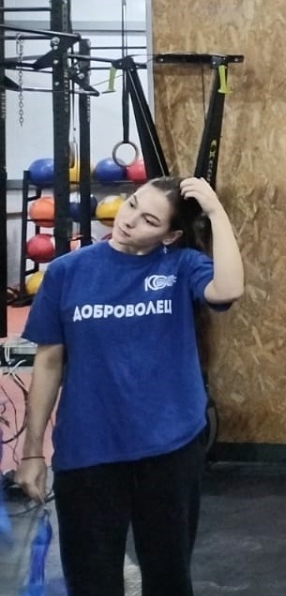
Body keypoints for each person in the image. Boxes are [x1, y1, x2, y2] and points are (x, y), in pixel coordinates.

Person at [18, 176, 245, 596]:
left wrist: (215, 211)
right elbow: (48, 362)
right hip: (88, 452)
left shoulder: (180, 267)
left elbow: (229, 288)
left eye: (149, 220)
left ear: (170, 235)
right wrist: (32, 452)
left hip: (168, 450)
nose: (129, 219)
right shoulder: (68, 272)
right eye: (133, 204)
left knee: (168, 580)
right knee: (92, 583)